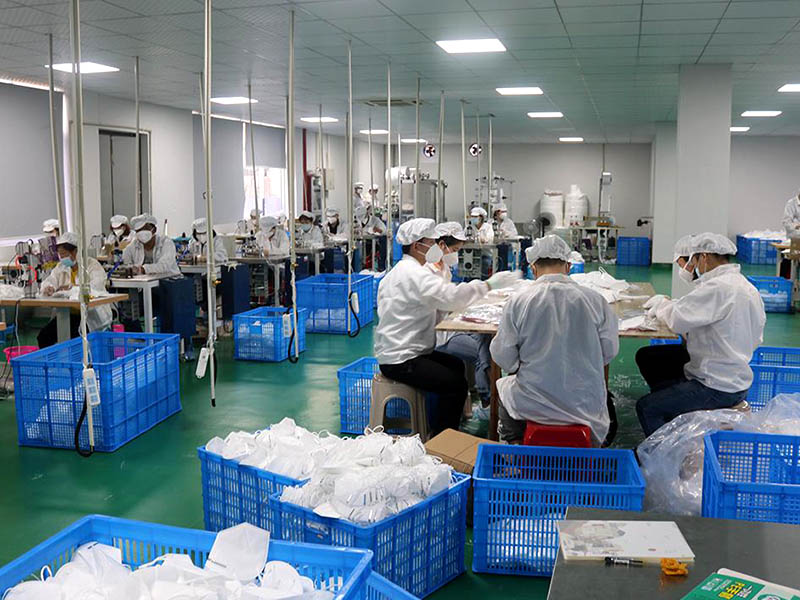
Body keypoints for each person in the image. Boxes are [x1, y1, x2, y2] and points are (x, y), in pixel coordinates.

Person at [374, 218, 520, 435]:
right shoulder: (415, 274)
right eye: (431, 242)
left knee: (456, 365)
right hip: (402, 359)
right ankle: (442, 437)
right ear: (416, 246)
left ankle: (441, 424)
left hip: (403, 351)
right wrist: (489, 285)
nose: (435, 246)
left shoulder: (401, 271)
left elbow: (440, 300)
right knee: (456, 385)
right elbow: (450, 296)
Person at [490, 235, 619, 445]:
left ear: (533, 268)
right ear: (568, 266)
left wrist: (521, 365)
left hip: (532, 405)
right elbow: (609, 352)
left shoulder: (519, 302)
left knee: (504, 388)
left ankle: (515, 449)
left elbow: (504, 358)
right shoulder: (596, 301)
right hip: (585, 408)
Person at [636, 232, 766, 437]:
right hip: (737, 378)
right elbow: (756, 338)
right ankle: (675, 411)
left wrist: (661, 305)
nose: (692, 266)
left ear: (703, 257)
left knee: (647, 407)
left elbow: (677, 319)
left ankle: (667, 452)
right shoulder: (745, 287)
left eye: (693, 260)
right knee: (650, 356)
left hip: (716, 385)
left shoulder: (718, 287)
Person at [429, 222, 492, 411]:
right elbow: (446, 300)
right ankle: (487, 402)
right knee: (483, 355)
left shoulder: (443, 268)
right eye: (455, 250)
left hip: (451, 325)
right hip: (439, 336)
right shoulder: (428, 272)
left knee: (485, 338)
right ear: (442, 245)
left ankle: (482, 391)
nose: (456, 254)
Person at [634, 234, 694, 390]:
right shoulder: (709, 285)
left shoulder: (713, 289)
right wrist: (671, 303)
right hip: (703, 355)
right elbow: (692, 308)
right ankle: (666, 392)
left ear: (692, 260)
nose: (681, 270)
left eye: (681, 265)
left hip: (707, 368)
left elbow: (680, 323)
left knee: (646, 403)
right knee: (645, 355)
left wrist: (663, 307)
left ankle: (670, 395)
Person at [37, 232, 112, 348]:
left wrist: (71, 289)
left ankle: (78, 359)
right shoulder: (61, 267)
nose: (62, 258)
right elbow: (50, 280)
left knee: (76, 339)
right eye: (60, 255)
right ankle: (54, 360)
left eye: (64, 254)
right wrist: (49, 287)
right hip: (67, 314)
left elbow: (95, 288)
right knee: (43, 336)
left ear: (75, 251)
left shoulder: (92, 266)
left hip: (90, 316)